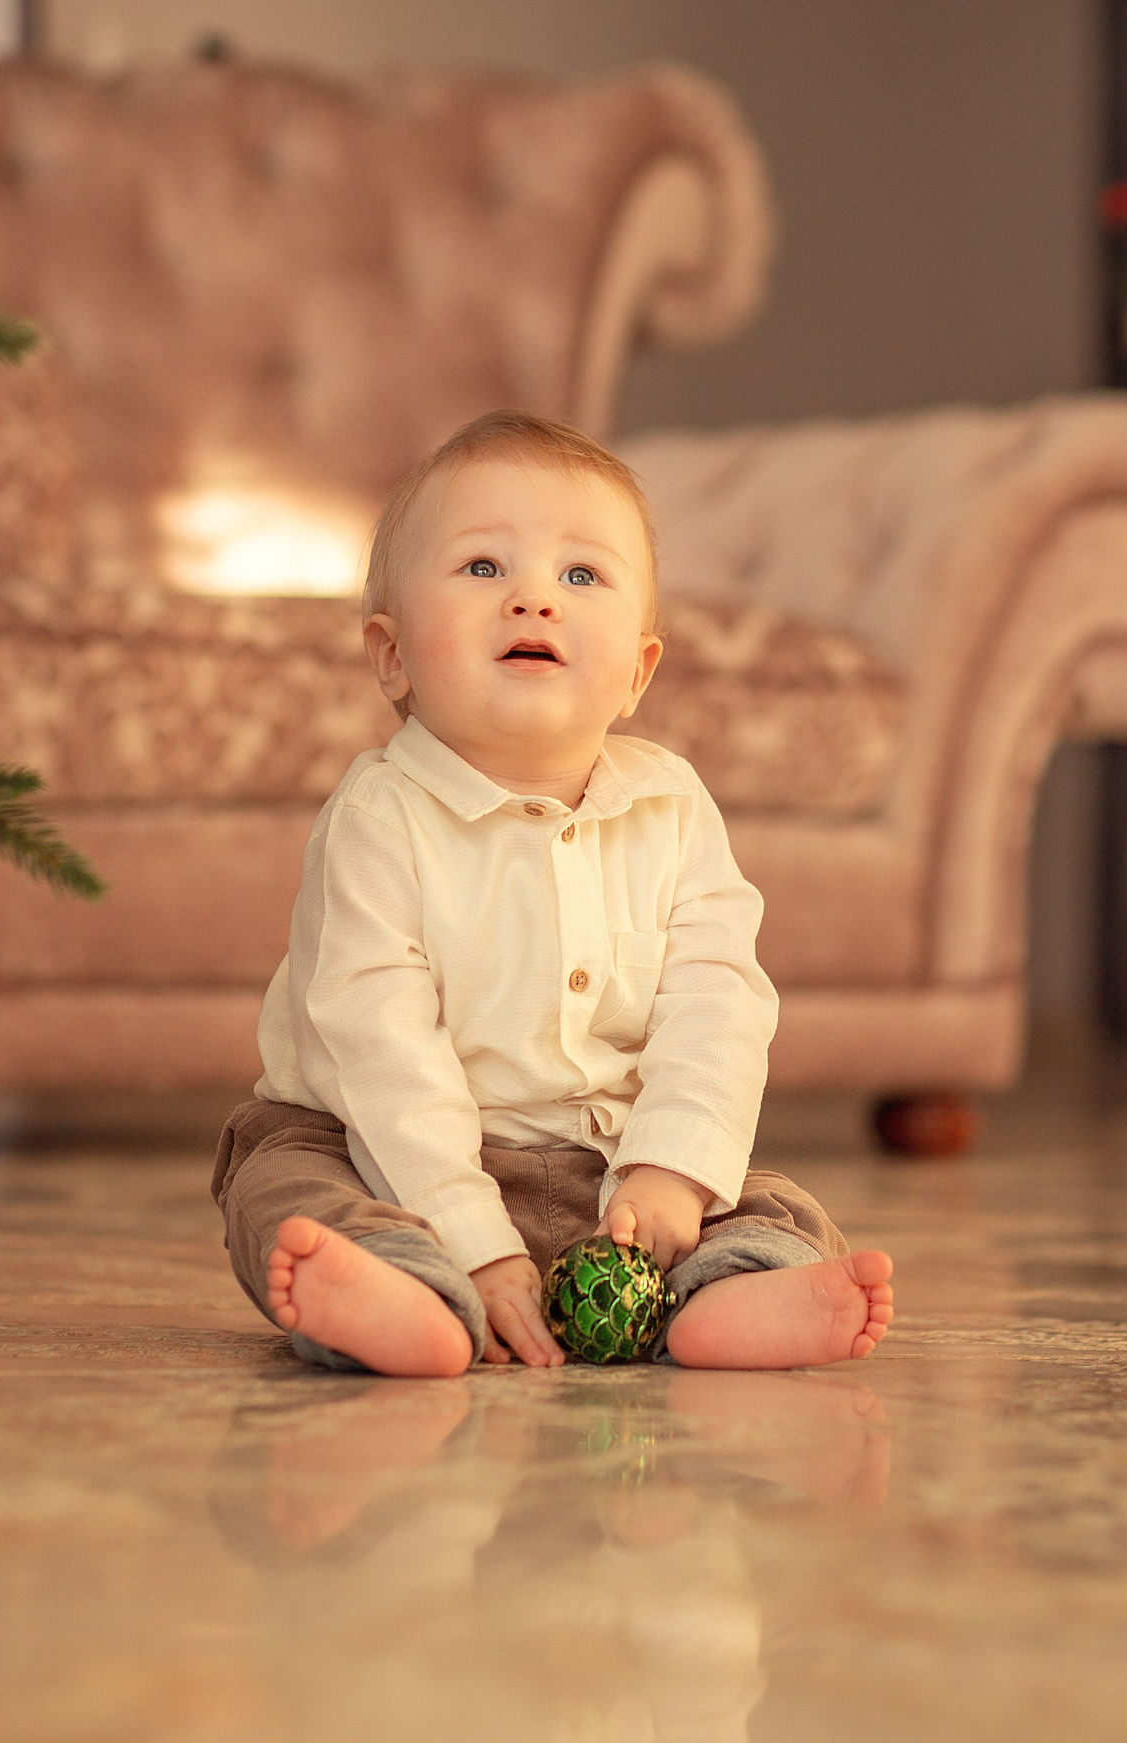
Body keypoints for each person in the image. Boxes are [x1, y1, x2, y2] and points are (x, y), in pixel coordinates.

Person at [210, 409, 894, 1376]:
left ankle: (731, 1298)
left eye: (581, 575)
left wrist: (668, 1169)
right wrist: (468, 1235)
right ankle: (402, 1291)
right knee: (282, 1188)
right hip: (373, 1147)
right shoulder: (379, 819)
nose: (535, 598)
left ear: (638, 672)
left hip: (604, 1172)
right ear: (391, 654)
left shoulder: (673, 809)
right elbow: (379, 1049)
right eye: (483, 567)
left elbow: (719, 1006)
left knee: (766, 1199)